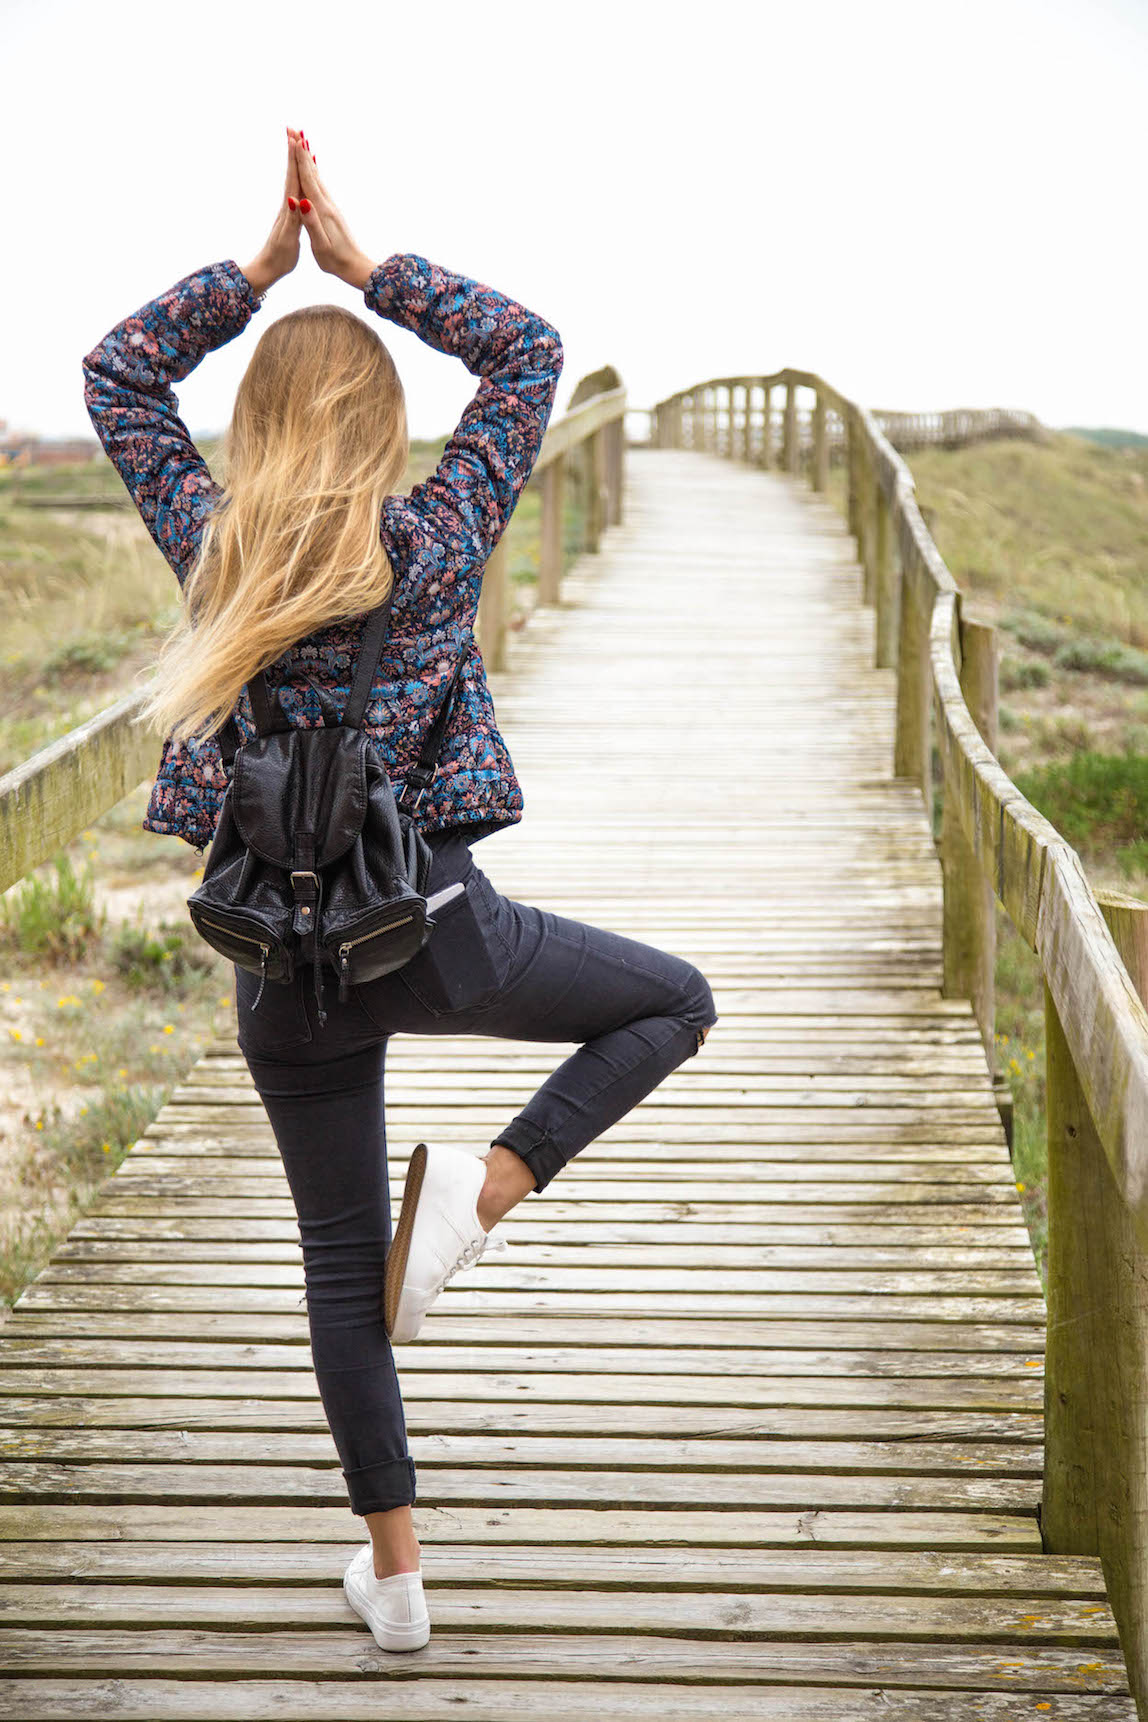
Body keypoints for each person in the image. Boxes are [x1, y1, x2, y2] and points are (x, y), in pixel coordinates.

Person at [82, 125, 718, 1654]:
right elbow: (529, 352)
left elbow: (115, 377)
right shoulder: (435, 540)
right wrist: (372, 268)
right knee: (674, 1002)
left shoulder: (211, 543)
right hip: (438, 933)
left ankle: (401, 1576)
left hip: (275, 964)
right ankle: (480, 1201)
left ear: (253, 424)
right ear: (380, 425)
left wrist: (251, 276)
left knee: (329, 1258)